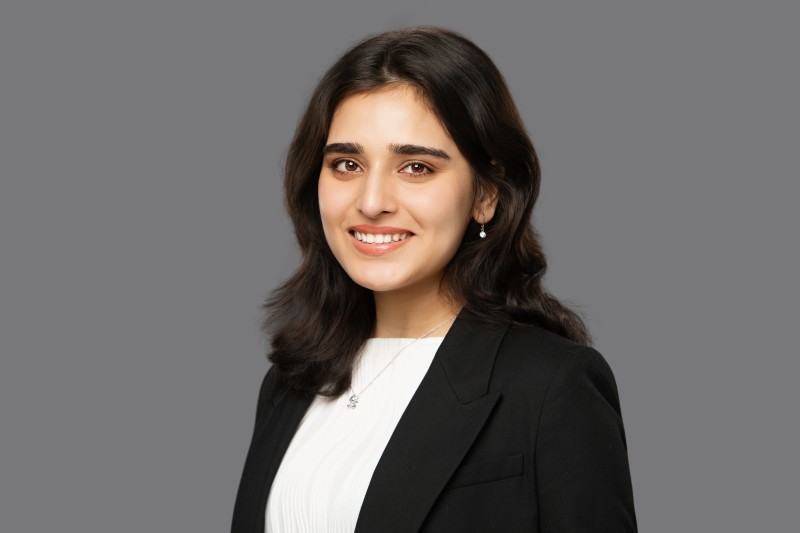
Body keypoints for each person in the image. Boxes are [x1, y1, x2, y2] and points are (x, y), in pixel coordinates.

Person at [232, 27, 637, 532]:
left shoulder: (552, 386)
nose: (371, 201)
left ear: (486, 194)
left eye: (416, 167)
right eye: (347, 164)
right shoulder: (290, 383)